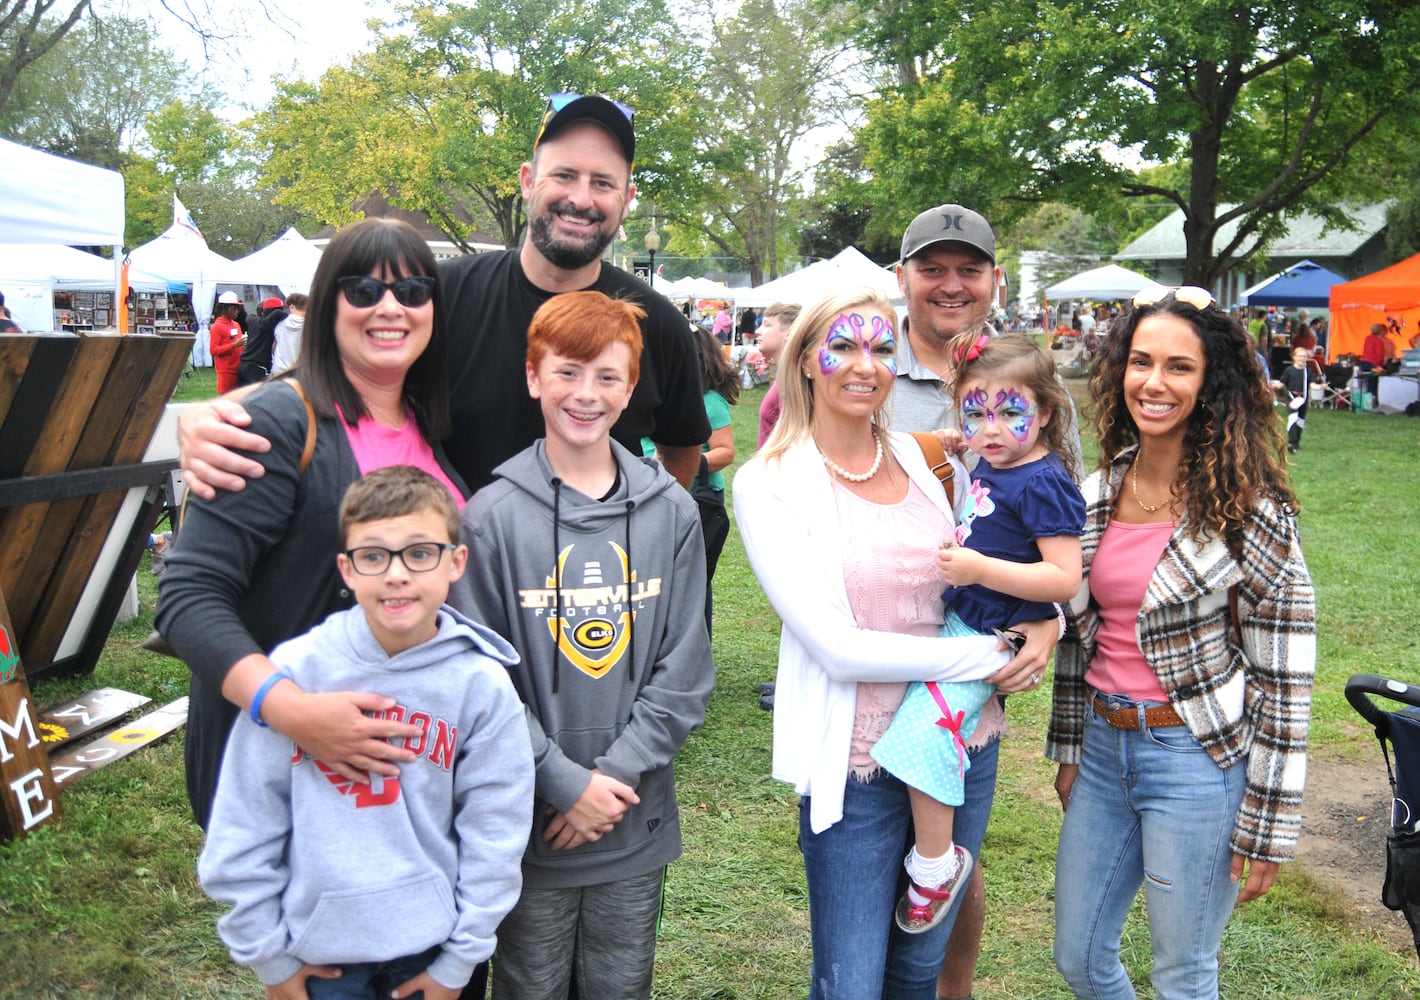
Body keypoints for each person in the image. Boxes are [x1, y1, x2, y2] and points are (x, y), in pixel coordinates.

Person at [732, 286, 1052, 1000]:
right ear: (807, 359)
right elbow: (838, 648)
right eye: (842, 346)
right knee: (849, 982)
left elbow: (1013, 559)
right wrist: (993, 654)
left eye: (880, 348)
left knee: (917, 972)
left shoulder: (931, 460)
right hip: (855, 762)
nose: (864, 365)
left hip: (959, 740)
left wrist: (1047, 618)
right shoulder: (769, 484)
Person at [175, 93, 708, 500]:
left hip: (582, 601)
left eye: (603, 183)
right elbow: (328, 371)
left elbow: (681, 447)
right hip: (443, 592)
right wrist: (211, 414)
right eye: (563, 175)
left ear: (628, 198)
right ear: (527, 181)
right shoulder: (440, 295)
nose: (580, 198)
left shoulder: (655, 323)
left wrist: (639, 526)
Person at [1049, 285, 1315, 1000]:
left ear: (1211, 383)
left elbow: (1286, 677)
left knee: (1184, 971)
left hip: (1198, 761)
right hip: (1104, 755)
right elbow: (1081, 640)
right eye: (1140, 362)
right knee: (1076, 954)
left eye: (1178, 367)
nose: (1154, 383)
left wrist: (1269, 823)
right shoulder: (1096, 490)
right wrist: (1071, 750)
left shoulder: (1251, 512)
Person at [156, 216, 465, 832]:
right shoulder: (279, 422)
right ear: (327, 305)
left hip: (399, 764)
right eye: (363, 289)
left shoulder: (430, 422)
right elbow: (188, 597)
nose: (389, 308)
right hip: (290, 760)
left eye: (411, 293)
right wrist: (292, 710)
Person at [452, 291, 713, 1000]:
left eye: (607, 376)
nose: (586, 393)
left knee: (619, 984)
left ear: (631, 390)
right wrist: (564, 785)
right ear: (534, 377)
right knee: (528, 984)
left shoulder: (672, 513)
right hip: (528, 825)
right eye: (567, 372)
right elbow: (480, 681)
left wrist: (611, 782)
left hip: (633, 820)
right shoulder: (490, 520)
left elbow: (684, 670)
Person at [198, 466, 533, 1000]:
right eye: (373, 556)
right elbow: (246, 817)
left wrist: (460, 960)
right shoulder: (297, 673)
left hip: (434, 950)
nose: (396, 574)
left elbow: (497, 833)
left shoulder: (482, 684)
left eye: (420, 553)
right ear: (346, 569)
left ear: (456, 562)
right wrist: (268, 958)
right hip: (317, 955)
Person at [893, 203, 1067, 1000]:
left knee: (954, 842)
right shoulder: (858, 363)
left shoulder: (1024, 385)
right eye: (933, 267)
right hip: (873, 651)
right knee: (866, 854)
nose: (951, 284)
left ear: (995, 280)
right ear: (904, 277)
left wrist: (1053, 620)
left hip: (973, 645)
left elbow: (1063, 545)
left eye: (969, 269)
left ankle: (951, 993)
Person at [869, 333, 1085, 936]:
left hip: (988, 636)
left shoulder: (1043, 481)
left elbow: (1065, 576)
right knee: (917, 728)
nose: (991, 428)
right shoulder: (995, 459)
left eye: (1011, 413)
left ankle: (936, 865)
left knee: (920, 740)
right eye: (975, 412)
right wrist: (959, 443)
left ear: (1045, 412)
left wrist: (980, 570)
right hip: (964, 624)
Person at [692, 323, 739, 634]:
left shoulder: (710, 401)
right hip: (660, 495)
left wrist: (678, 465)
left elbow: (725, 452)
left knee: (695, 581)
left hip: (698, 500)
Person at [756, 301, 801, 448]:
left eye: (767, 325)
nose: (758, 331)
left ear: (789, 332)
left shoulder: (795, 380)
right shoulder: (786, 375)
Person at [1272, 345, 1318, 453]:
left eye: (1304, 356)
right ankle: (1291, 443)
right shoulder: (1289, 370)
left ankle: (1296, 442)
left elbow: (1312, 385)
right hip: (1291, 398)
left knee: (1301, 421)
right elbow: (1281, 384)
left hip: (1303, 398)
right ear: (1294, 357)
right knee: (1293, 418)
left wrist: (1320, 387)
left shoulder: (1308, 371)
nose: (1302, 358)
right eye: (1300, 356)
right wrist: (1271, 386)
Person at [238, 295, 286, 386]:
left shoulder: (251, 319)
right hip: (256, 368)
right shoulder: (267, 325)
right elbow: (277, 314)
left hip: (243, 365)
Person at [210, 291, 248, 394]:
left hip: (239, 368)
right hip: (226, 371)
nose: (237, 311)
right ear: (226, 309)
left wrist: (243, 345)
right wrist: (234, 345)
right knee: (226, 399)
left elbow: (239, 344)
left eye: (237, 308)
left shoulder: (236, 324)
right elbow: (213, 350)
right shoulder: (217, 327)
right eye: (234, 308)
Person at [271, 292, 308, 374]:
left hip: (279, 372)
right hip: (300, 372)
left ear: (292, 306)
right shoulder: (310, 325)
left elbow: (274, 347)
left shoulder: (279, 324)